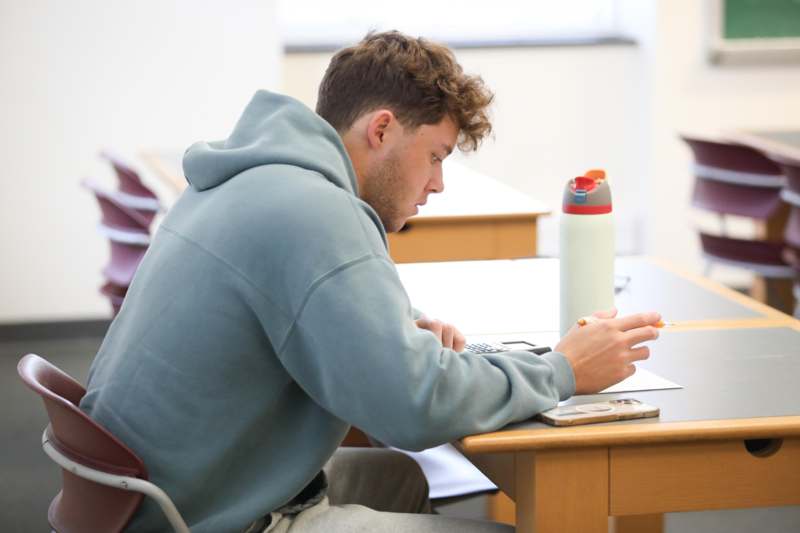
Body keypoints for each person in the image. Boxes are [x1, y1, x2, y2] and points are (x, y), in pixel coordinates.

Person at [80, 31, 660, 532]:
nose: (438, 184)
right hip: (206, 516)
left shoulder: (250, 180)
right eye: (435, 156)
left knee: (399, 480)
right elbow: (412, 410)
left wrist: (395, 329)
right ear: (382, 130)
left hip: (139, 492)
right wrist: (563, 370)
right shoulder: (318, 211)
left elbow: (285, 299)